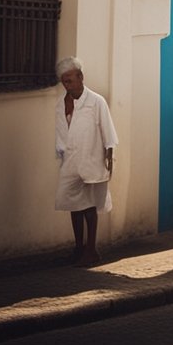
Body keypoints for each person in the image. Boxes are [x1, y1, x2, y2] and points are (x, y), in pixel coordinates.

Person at [54, 57, 118, 267]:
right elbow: (61, 131)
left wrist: (109, 157)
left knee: (89, 205)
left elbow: (108, 131)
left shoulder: (96, 101)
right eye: (64, 81)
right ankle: (79, 248)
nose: (67, 85)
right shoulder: (62, 103)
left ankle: (91, 250)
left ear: (80, 77)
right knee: (73, 203)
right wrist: (61, 154)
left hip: (91, 157)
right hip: (71, 159)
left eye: (70, 80)